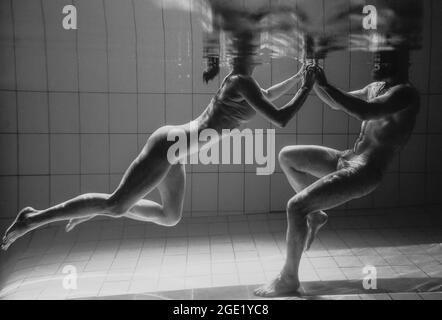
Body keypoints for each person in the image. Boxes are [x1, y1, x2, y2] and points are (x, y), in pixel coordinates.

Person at [1, 33, 317, 251]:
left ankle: (97, 208)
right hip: (167, 147)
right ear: (246, 54)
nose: (261, 52)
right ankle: (32, 218)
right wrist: (306, 88)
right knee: (114, 204)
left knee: (169, 216)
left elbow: (267, 96)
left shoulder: (245, 83)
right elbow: (280, 118)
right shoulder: (241, 80)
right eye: (257, 48)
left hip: (176, 152)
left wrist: (300, 77)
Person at [255, 49, 420, 297]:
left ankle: (288, 278)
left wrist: (325, 84)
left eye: (384, 56)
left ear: (402, 61)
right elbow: (334, 101)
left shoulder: (405, 93)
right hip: (347, 158)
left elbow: (366, 111)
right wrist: (311, 77)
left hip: (365, 171)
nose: (376, 60)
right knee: (287, 155)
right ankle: (316, 215)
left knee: (295, 207)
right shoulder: (377, 86)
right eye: (377, 55)